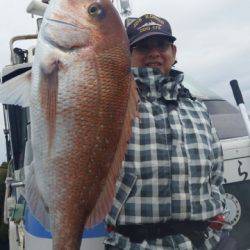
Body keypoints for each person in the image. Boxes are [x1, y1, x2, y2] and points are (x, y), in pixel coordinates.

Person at [104, 14, 234, 250]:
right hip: (133, 244)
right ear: (127, 55)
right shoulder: (111, 106)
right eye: (143, 46)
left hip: (207, 241)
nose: (154, 52)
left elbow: (216, 174)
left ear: (173, 52)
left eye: (162, 45)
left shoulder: (197, 107)